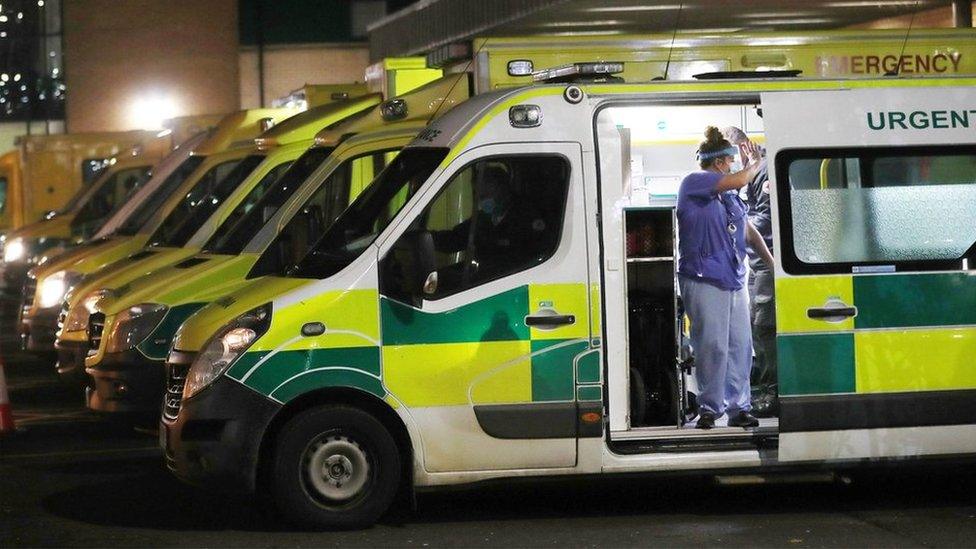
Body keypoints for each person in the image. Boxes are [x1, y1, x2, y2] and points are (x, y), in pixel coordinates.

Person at [677, 126, 773, 429]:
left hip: (733, 278)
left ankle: (738, 407)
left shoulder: (728, 197)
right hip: (704, 278)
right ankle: (710, 408)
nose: (732, 167)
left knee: (741, 347)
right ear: (720, 163)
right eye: (729, 163)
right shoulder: (694, 183)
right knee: (712, 345)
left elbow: (747, 230)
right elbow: (743, 178)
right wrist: (754, 164)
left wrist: (772, 264)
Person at [722, 126, 778, 416]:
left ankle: (773, 393)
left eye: (729, 156)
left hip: (769, 261)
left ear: (743, 147)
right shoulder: (749, 173)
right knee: (756, 325)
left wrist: (728, 227)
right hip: (756, 263)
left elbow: (765, 218)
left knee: (765, 326)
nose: (727, 164)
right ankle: (763, 384)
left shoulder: (764, 170)